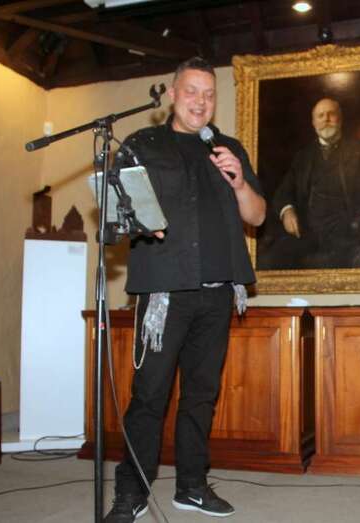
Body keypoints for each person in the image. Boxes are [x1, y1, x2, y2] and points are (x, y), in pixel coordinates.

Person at [104, 57, 265, 522]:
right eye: (192, 91)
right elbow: (115, 212)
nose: (201, 101)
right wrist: (136, 223)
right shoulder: (142, 144)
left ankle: (191, 486)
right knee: (150, 396)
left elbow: (256, 215)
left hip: (217, 293)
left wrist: (239, 182)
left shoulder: (229, 149)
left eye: (209, 94)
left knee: (201, 395)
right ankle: (132, 491)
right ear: (173, 94)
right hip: (164, 293)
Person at [268, 97, 360, 269]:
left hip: (353, 232)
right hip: (309, 234)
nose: (326, 119)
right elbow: (283, 192)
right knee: (272, 260)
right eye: (320, 116)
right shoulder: (303, 157)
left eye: (331, 114)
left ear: (340, 119)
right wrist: (287, 211)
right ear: (313, 123)